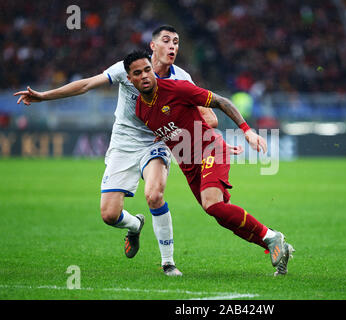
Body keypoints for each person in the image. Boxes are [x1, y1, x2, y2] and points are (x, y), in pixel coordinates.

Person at [13, 25, 219, 276]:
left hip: (157, 142)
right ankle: (135, 225)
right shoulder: (126, 68)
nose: (173, 46)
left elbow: (210, 117)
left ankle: (168, 263)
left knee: (154, 195)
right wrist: (44, 96)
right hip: (124, 142)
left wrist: (175, 126)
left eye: (176, 41)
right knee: (110, 215)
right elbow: (87, 84)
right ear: (153, 46)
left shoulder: (181, 79)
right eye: (166, 40)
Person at [125, 50, 295, 276]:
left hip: (209, 149)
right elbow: (169, 132)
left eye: (148, 69)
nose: (145, 75)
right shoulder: (140, 109)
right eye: (138, 73)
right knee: (220, 215)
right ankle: (278, 247)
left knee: (212, 204)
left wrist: (246, 131)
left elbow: (221, 102)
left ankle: (271, 237)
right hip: (189, 165)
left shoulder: (177, 89)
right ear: (130, 79)